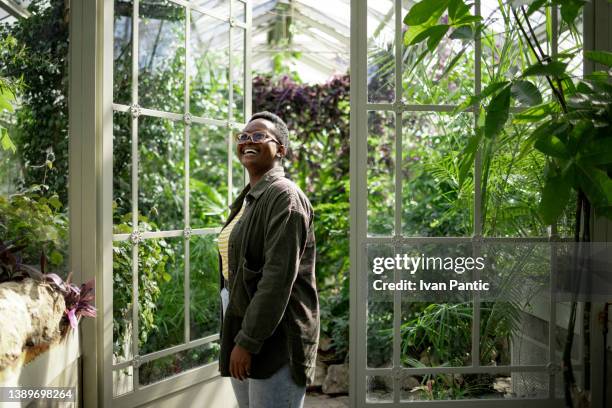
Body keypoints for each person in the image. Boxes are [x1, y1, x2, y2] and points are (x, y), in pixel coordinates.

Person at [217, 111, 319, 408]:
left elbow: (276, 280)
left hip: (276, 337)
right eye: (244, 136)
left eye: (260, 135)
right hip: (245, 326)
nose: (249, 140)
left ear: (281, 150)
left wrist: (247, 341)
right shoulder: (251, 197)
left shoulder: (285, 198)